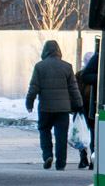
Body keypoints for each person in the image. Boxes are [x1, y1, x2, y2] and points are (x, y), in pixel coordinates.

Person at [26, 40, 82, 170]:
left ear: (45, 51)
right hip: (63, 109)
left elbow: (34, 86)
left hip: (45, 107)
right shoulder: (67, 67)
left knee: (44, 130)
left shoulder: (40, 66)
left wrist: (30, 101)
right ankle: (61, 163)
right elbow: (73, 89)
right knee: (61, 136)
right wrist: (79, 106)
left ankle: (47, 156)